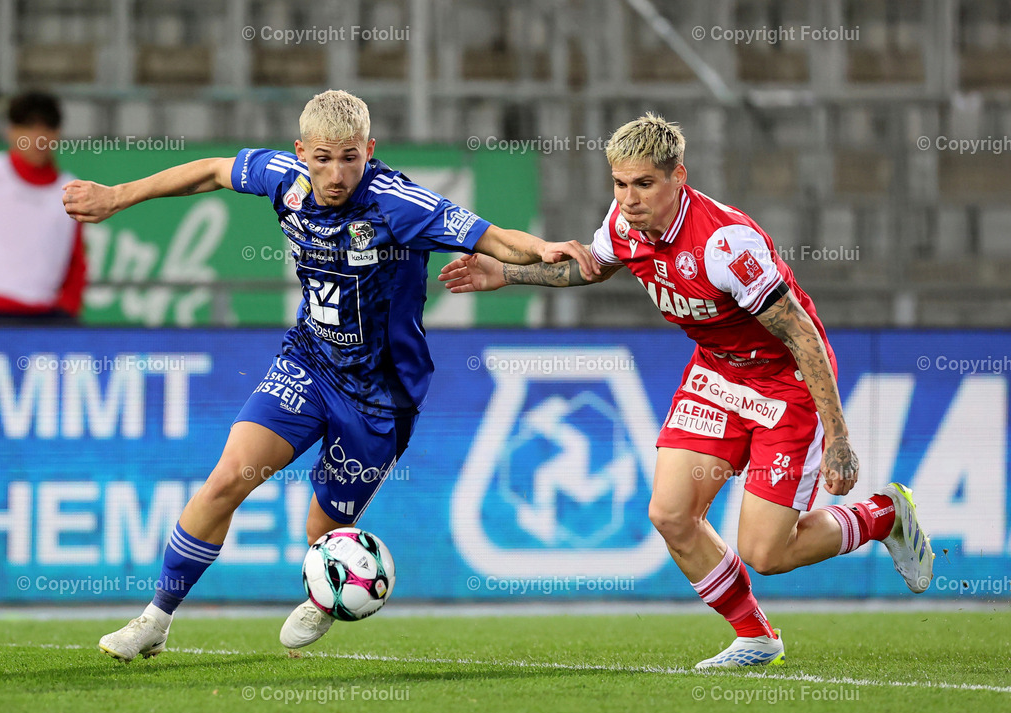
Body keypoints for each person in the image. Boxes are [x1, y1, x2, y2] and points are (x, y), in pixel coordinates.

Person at [63, 89, 595, 662]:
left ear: (370, 150)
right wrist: (118, 196)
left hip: (380, 397)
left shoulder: (400, 204)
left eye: (349, 157)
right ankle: (155, 619)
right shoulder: (283, 179)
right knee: (226, 480)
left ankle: (326, 593)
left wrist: (541, 248)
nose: (335, 173)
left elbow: (493, 238)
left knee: (322, 530)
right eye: (322, 158)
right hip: (308, 365)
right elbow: (213, 171)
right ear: (301, 152)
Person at [439, 113, 934, 669]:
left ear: (679, 176)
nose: (629, 199)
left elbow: (803, 334)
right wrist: (507, 274)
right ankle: (756, 636)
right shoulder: (625, 224)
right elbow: (596, 267)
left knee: (765, 553)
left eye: (644, 184)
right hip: (718, 378)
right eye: (620, 184)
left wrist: (839, 436)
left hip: (784, 386)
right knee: (671, 515)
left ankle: (883, 516)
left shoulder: (726, 245)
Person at [0, 92, 86, 323]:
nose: (39, 137)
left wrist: (68, 309)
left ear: (57, 134)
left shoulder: (70, 188)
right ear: (11, 131)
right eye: (29, 128)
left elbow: (76, 259)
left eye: (47, 128)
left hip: (46, 317)